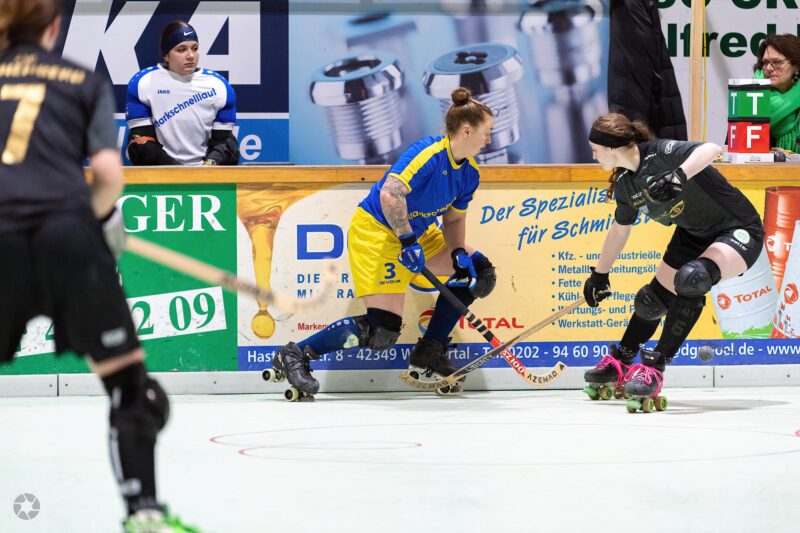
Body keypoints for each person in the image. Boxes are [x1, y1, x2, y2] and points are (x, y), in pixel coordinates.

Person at [0, 1, 197, 530]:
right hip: (69, 238)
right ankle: (143, 512)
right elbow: (108, 176)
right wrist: (102, 222)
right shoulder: (81, 80)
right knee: (131, 388)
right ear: (53, 27)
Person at [266, 87, 497, 399]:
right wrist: (407, 240)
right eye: (487, 131)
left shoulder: (469, 173)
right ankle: (295, 354)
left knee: (478, 273)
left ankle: (430, 351)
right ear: (467, 130)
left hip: (417, 234)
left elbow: (454, 221)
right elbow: (390, 194)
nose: (489, 139)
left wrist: (457, 252)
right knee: (382, 330)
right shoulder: (428, 154)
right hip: (378, 232)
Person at [582, 113, 763, 412]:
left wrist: (679, 175)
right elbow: (619, 230)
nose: (593, 156)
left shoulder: (659, 152)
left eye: (595, 150)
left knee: (692, 279)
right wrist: (599, 275)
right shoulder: (626, 185)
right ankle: (622, 360)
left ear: (612, 148)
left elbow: (711, 149)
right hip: (692, 235)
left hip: (737, 229)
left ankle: (655, 367)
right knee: (650, 301)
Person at [125, 20, 239, 166]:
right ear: (166, 55)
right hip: (162, 170)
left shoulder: (219, 86)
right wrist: (178, 172)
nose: (191, 55)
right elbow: (142, 140)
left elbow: (223, 142)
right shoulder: (143, 82)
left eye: (195, 48)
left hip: (205, 170)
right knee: (137, 144)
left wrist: (207, 168)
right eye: (181, 50)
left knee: (230, 145)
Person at [752, 34, 800, 152]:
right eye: (765, 62)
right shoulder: (751, 97)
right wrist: (769, 154)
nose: (769, 68)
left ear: (796, 66)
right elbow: (733, 150)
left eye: (777, 62)